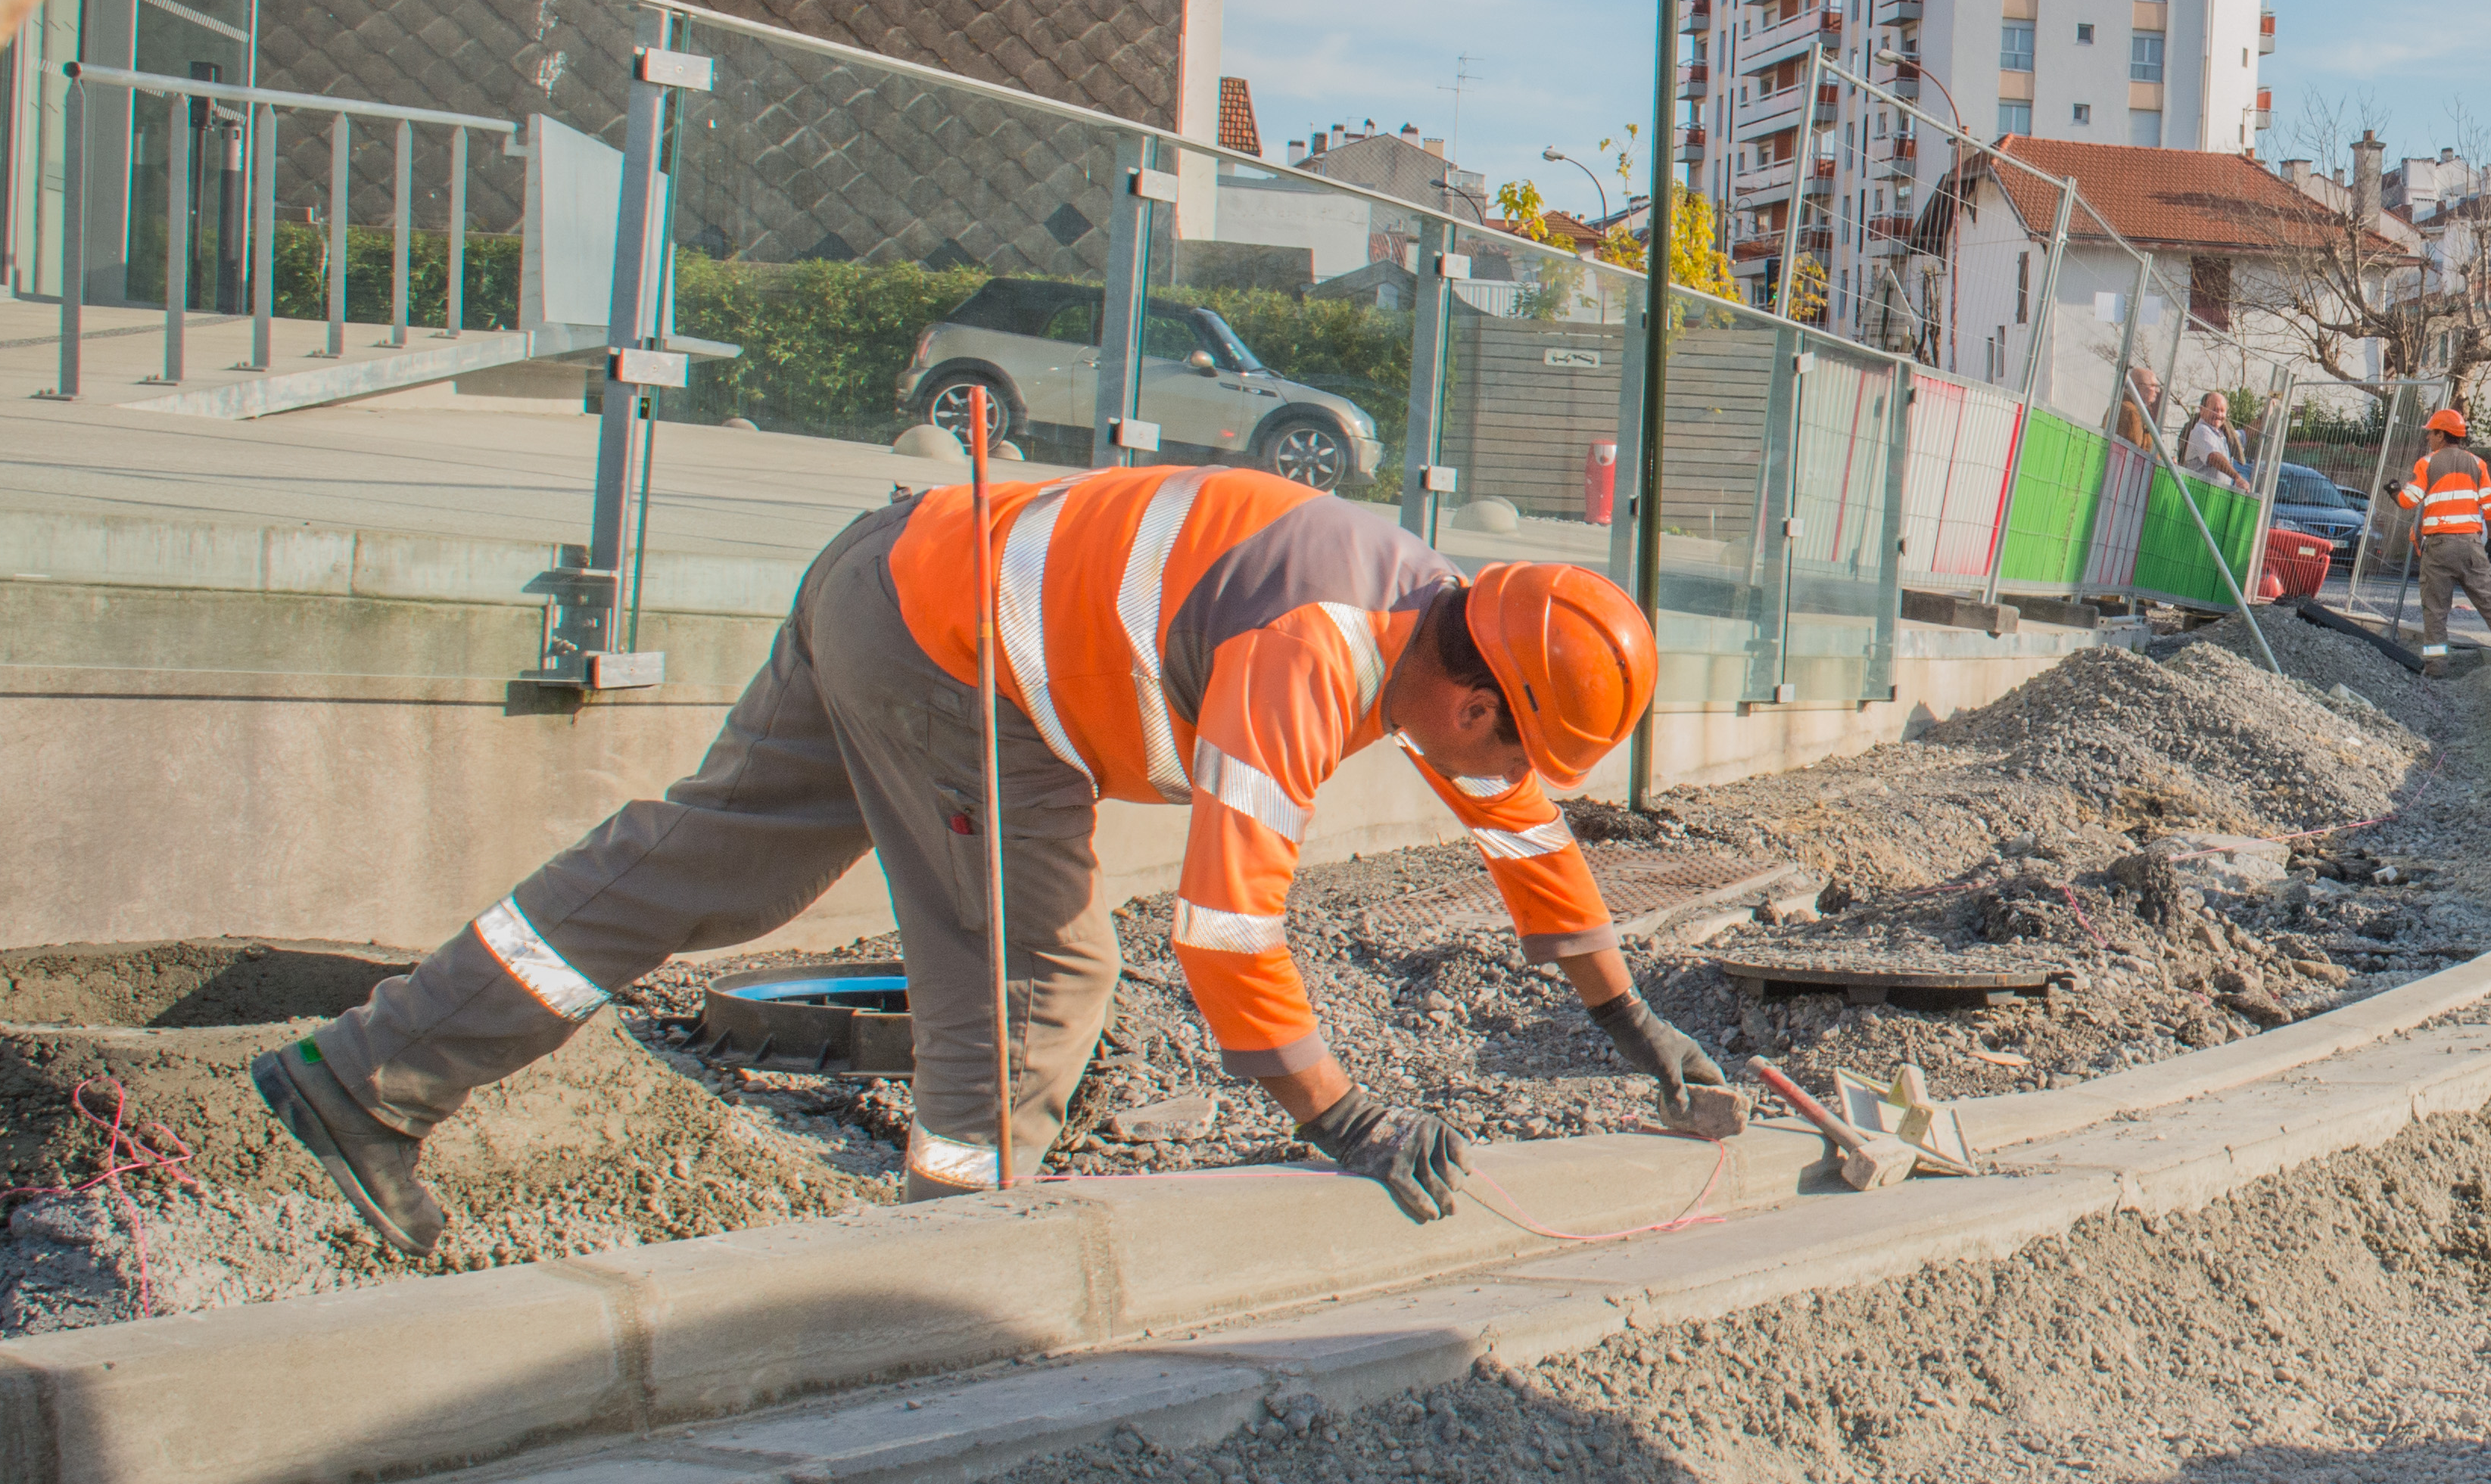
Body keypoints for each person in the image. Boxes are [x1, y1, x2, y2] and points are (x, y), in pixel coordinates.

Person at [249, 465, 1751, 1255]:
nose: (1499, 781)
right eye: (1507, 748)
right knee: (1036, 966)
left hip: (893, 574)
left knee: (702, 867)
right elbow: (1227, 935)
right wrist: (1343, 1114)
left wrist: (1632, 1024)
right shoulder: (1312, 650)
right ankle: (961, 1270)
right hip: (954, 657)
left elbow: (1530, 847)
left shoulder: (1442, 628)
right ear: (1479, 696)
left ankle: (370, 1071)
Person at [2399, 404, 2491, 648]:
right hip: (2471, 544)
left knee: (2435, 612)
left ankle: (2435, 669)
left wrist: (2395, 492)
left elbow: (2408, 501)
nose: (2428, 437)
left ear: (2442, 434)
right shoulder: (2478, 464)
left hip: (2439, 547)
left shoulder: (2426, 463)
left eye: (2432, 432)